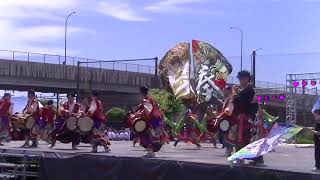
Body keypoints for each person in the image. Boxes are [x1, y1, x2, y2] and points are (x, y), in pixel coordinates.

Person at [231, 71, 258, 163]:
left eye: (242, 78)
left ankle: (241, 157)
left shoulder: (248, 90)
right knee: (246, 138)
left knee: (241, 137)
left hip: (245, 118)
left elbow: (239, 104)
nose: (240, 81)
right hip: (247, 117)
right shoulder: (248, 90)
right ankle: (254, 157)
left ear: (247, 78)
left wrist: (234, 93)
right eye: (239, 79)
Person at [133, 86, 167, 157]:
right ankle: (151, 151)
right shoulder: (151, 99)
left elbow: (148, 112)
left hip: (153, 120)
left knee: (145, 136)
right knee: (149, 136)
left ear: (141, 93)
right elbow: (156, 108)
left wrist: (138, 115)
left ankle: (151, 152)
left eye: (139, 93)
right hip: (156, 119)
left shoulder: (146, 100)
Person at [311, 98, 320, 172]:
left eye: (316, 115)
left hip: (319, 142)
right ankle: (317, 166)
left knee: (318, 154)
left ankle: (317, 167)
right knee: (317, 154)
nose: (315, 116)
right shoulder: (317, 122)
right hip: (317, 141)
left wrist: (313, 132)